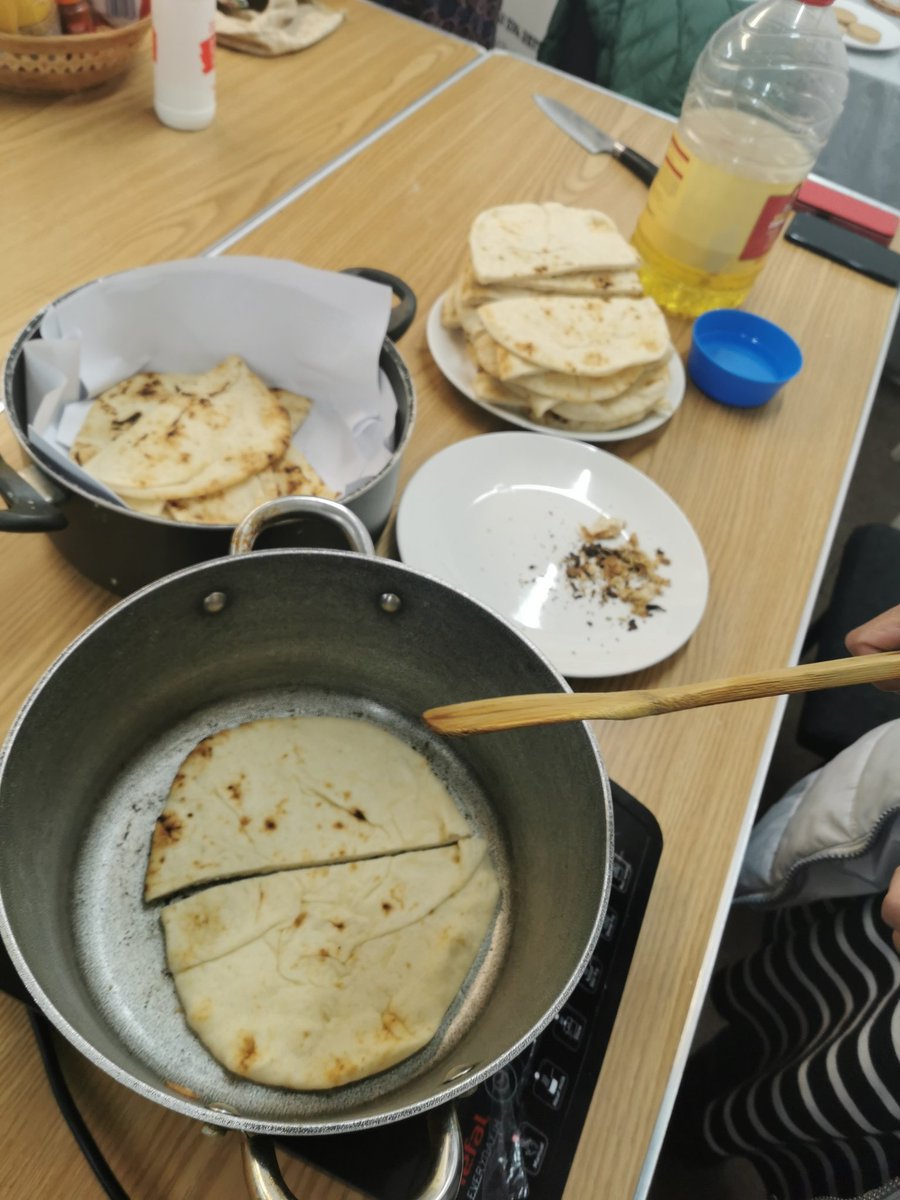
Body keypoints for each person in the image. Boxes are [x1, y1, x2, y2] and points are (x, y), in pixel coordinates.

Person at [668, 603, 900, 1200]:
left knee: (823, 1107)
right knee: (790, 1003)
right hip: (870, 890)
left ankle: (694, 1146)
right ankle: (693, 1116)